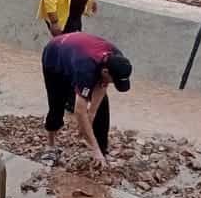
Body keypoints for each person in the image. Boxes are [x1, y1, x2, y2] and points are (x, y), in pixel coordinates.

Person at [40, 32, 132, 168]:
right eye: (114, 81)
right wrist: (90, 141)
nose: (112, 83)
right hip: (55, 57)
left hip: (80, 53)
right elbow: (80, 111)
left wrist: (90, 118)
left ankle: (101, 150)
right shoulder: (86, 69)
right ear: (106, 72)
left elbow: (101, 88)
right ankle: (51, 147)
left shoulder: (117, 58)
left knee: (102, 105)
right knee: (57, 105)